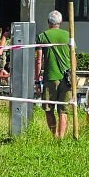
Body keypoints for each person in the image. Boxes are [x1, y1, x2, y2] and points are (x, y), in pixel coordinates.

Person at [35, 10, 72, 139]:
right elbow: (74, 58)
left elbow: (39, 60)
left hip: (50, 77)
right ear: (61, 22)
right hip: (66, 78)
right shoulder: (69, 35)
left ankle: (54, 135)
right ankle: (61, 138)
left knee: (48, 108)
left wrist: (37, 79)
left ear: (48, 22)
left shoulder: (42, 36)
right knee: (64, 110)